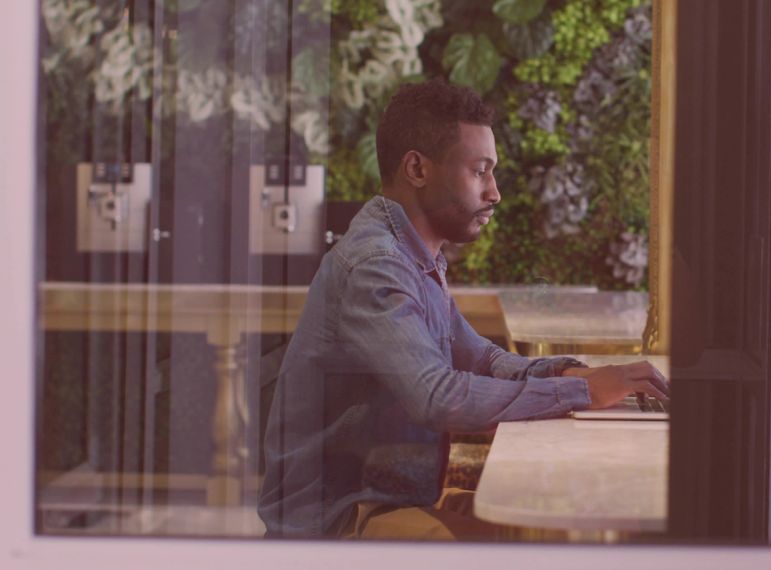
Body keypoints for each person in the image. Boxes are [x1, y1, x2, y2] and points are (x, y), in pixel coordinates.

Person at [257, 79, 669, 540]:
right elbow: (438, 396)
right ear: (417, 168)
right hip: (337, 521)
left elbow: (482, 359)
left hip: (386, 497)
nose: (494, 192)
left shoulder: (415, 254)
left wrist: (574, 376)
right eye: (480, 171)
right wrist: (583, 395)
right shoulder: (377, 266)